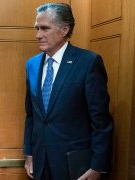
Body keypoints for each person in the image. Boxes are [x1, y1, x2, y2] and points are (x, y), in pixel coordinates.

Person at [23, 3, 113, 180]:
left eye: (45, 28)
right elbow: (31, 115)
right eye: (37, 28)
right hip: (40, 165)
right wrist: (29, 153)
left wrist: (98, 166)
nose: (38, 35)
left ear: (64, 29)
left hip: (75, 166)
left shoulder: (88, 63)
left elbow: (100, 120)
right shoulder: (31, 64)